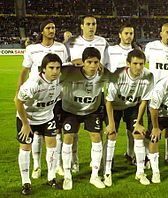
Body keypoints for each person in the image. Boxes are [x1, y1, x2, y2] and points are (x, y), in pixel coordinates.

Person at [60, 47, 120, 190]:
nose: (93, 65)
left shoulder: (102, 73)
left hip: (92, 110)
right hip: (70, 110)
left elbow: (116, 78)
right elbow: (51, 69)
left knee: (96, 137)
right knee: (68, 137)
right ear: (83, 62)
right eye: (89, 62)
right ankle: (67, 175)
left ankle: (94, 175)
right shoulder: (70, 72)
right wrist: (71, 62)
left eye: (95, 62)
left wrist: (104, 67)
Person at [16, 19, 69, 179]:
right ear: (42, 31)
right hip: (35, 93)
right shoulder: (32, 49)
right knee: (36, 134)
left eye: (53, 27)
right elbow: (24, 70)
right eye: (48, 28)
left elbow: (65, 68)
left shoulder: (61, 47)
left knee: (55, 132)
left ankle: (56, 165)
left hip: (54, 94)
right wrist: (19, 89)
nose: (51, 30)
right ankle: (37, 165)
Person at [66, 15, 109, 172]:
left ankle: (97, 162)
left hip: (96, 93)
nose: (91, 27)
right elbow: (64, 65)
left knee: (96, 130)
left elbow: (107, 66)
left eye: (94, 24)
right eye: (88, 24)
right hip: (74, 93)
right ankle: (74, 161)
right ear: (81, 26)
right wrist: (76, 62)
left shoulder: (102, 42)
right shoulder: (71, 42)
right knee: (72, 131)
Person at [105, 49, 154, 186]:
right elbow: (108, 100)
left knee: (138, 134)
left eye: (141, 64)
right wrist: (111, 123)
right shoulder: (117, 75)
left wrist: (138, 122)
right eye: (135, 63)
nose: (138, 67)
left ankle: (140, 172)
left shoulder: (148, 76)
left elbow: (144, 100)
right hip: (114, 107)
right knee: (111, 134)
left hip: (132, 107)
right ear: (128, 63)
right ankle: (107, 172)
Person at [15, 53, 63, 195]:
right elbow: (18, 102)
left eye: (57, 68)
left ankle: (51, 177)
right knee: (25, 148)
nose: (55, 71)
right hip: (27, 118)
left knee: (52, 145)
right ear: (43, 69)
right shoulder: (33, 83)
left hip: (47, 117)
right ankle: (26, 182)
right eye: (51, 68)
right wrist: (25, 124)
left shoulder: (60, 78)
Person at [145, 23, 168, 168]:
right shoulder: (151, 46)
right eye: (167, 32)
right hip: (155, 93)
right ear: (161, 33)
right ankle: (149, 157)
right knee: (152, 127)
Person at [106, 23, 140, 166]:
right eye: (126, 33)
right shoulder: (110, 50)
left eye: (131, 33)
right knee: (112, 130)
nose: (129, 36)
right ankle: (109, 158)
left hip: (133, 97)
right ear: (120, 35)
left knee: (132, 130)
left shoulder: (137, 51)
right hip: (114, 98)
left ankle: (130, 154)